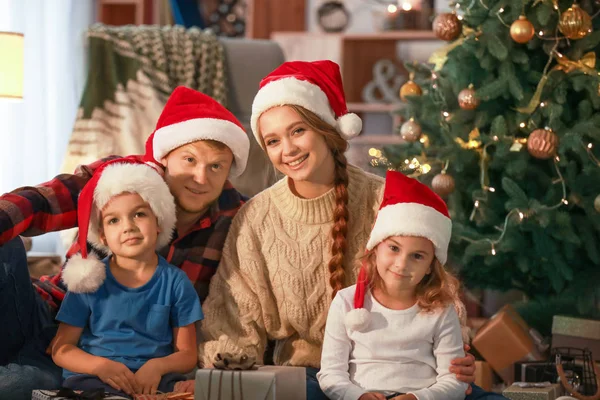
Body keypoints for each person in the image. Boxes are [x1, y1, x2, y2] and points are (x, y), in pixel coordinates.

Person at [197, 60, 477, 400]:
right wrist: (230, 354)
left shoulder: (385, 200)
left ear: (327, 128)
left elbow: (432, 281)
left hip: (403, 372)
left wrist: (455, 350)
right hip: (305, 375)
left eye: (298, 130)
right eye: (272, 141)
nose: (288, 150)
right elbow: (235, 313)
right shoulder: (256, 218)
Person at [0, 86, 250, 399]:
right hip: (47, 313)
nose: (201, 177)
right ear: (165, 157)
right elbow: (41, 201)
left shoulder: (239, 219)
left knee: (16, 386)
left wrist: (204, 377)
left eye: (216, 166)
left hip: (92, 363)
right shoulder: (122, 180)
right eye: (189, 160)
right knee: (6, 247)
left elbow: (239, 311)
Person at [52, 157, 203, 396]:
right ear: (102, 236)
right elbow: (61, 349)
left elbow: (187, 354)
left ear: (158, 222)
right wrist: (101, 366)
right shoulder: (89, 280)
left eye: (139, 214)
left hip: (155, 381)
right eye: (114, 220)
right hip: (95, 379)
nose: (128, 227)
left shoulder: (176, 282)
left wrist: (157, 366)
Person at [317, 171, 468, 400]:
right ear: (376, 247)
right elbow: (331, 374)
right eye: (394, 248)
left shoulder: (440, 310)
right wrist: (357, 396)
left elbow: (454, 380)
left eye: (417, 256)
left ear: (430, 265)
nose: (401, 264)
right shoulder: (347, 302)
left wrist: (418, 398)